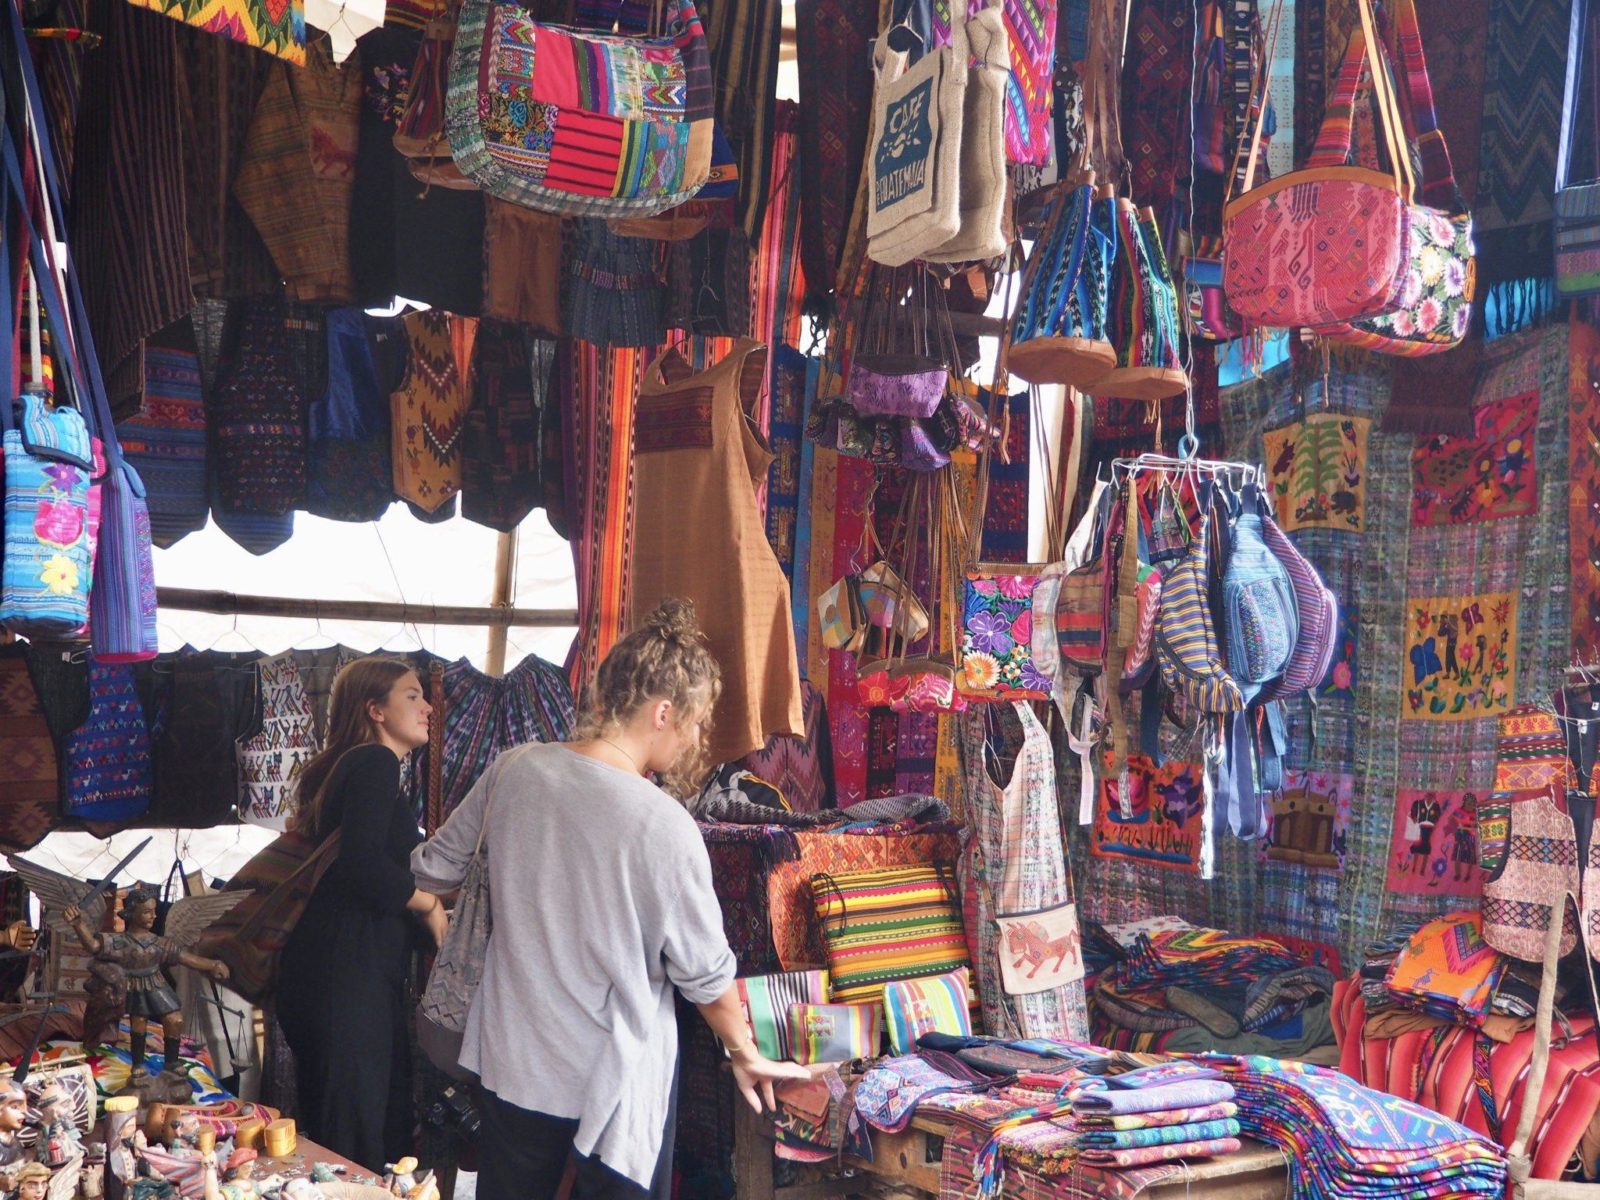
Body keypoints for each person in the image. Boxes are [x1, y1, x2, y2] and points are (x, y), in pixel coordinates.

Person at [413, 598, 807, 1200]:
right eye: (697, 722)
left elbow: (433, 872)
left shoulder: (514, 770)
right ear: (663, 712)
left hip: (513, 1058)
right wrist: (743, 1051)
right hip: (613, 1078)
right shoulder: (663, 824)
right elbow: (704, 972)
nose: (698, 738)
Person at [273, 658, 445, 1172]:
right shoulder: (374, 762)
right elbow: (361, 865)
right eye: (412, 696)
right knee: (354, 1140)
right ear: (376, 710)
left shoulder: (350, 766)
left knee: (356, 1131)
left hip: (341, 978)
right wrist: (430, 904)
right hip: (347, 982)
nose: (428, 707)